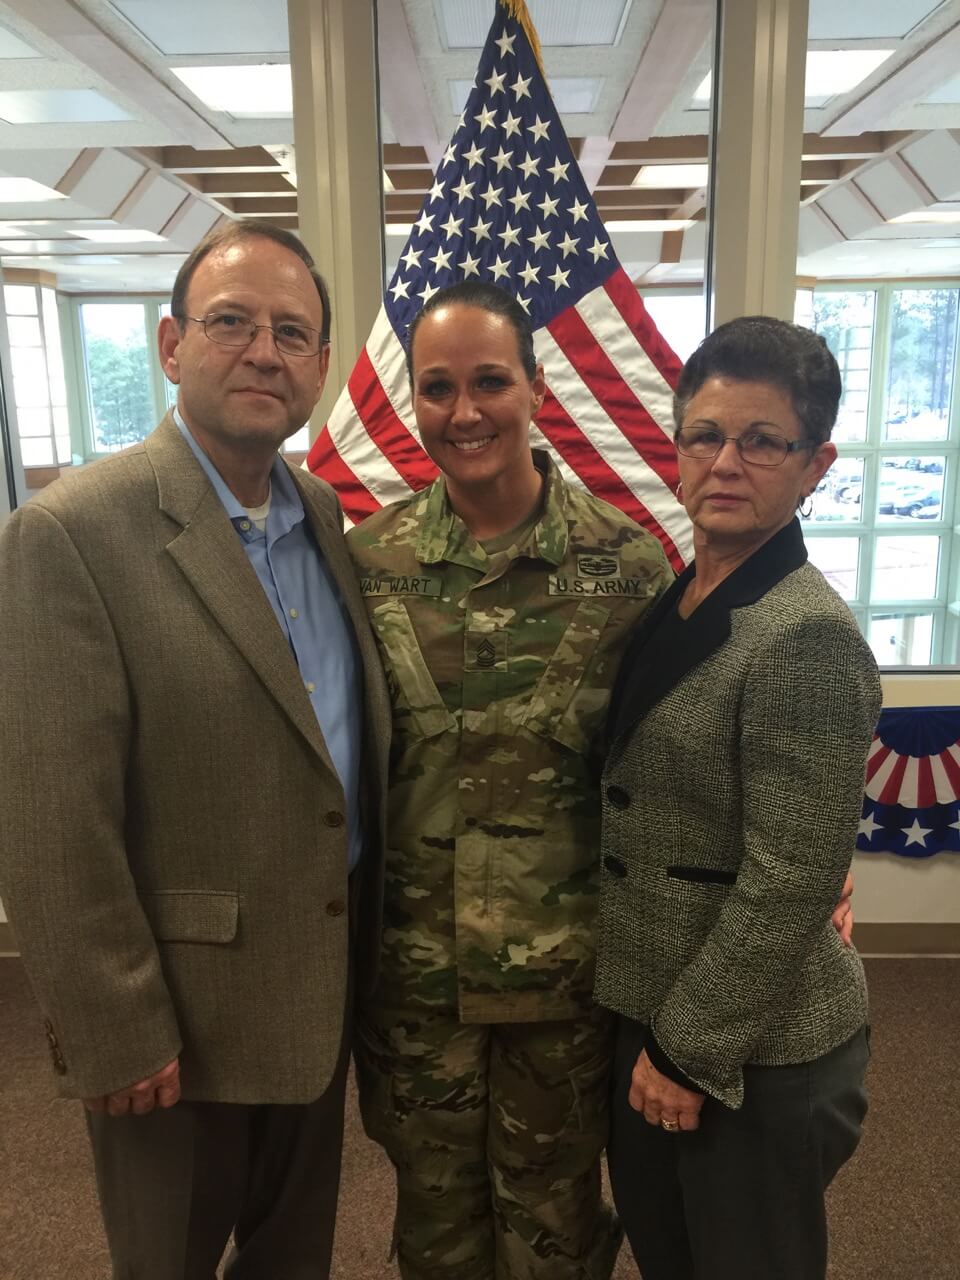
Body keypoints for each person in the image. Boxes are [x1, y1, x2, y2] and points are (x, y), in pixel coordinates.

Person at [0, 220, 390, 1279]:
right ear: (171, 345)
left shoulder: (318, 511)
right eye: (232, 321)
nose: (264, 349)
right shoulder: (72, 532)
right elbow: (49, 817)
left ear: (318, 366)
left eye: (292, 331)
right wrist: (113, 1027)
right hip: (174, 1032)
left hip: (315, 1006)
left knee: (290, 1261)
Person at [344, 280, 674, 1280]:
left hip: (567, 987)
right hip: (418, 983)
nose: (464, 411)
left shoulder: (627, 567)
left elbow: (666, 779)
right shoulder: (370, 563)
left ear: (536, 387)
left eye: (490, 380)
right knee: (435, 1232)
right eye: (437, 387)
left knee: (555, 1232)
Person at [595, 315, 881, 1280]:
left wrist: (685, 1052)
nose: (727, 461)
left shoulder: (805, 634)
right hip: (657, 1003)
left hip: (753, 1051)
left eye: (763, 441)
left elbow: (793, 878)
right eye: (706, 436)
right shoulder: (688, 592)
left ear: (816, 463)